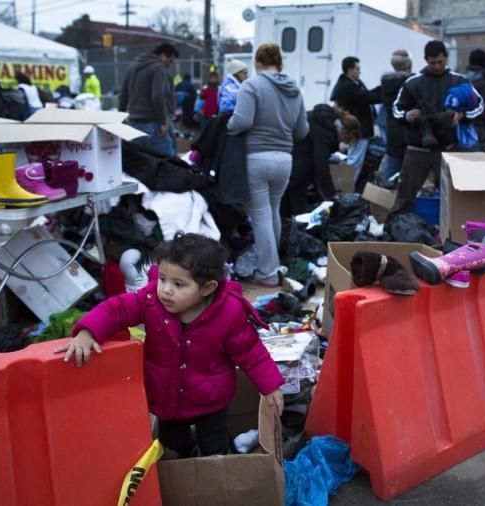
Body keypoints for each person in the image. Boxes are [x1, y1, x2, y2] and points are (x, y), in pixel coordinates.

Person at [54, 233, 284, 458]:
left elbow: (250, 352)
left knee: (214, 447)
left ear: (207, 288)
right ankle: (184, 461)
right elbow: (118, 309)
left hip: (212, 398)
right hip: (166, 396)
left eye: (178, 284)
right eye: (162, 279)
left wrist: (271, 386)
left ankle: (217, 471)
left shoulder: (229, 313)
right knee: (173, 445)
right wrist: (87, 331)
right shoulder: (151, 301)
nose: (166, 289)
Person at [227, 43, 308, 287]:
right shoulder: (295, 89)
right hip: (284, 159)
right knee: (273, 211)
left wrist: (225, 126)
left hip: (257, 157)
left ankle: (268, 273)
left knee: (261, 215)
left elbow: (241, 121)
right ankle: (274, 265)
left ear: (256, 62)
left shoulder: (252, 85)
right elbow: (303, 130)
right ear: (279, 62)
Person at [390, 40, 484, 217]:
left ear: (446, 58)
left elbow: (479, 105)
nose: (437, 66)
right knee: (404, 197)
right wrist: (407, 115)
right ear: (425, 60)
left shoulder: (460, 80)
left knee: (455, 197)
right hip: (418, 149)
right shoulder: (413, 82)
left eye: (440, 61)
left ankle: (455, 232)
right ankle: (395, 232)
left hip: (449, 149)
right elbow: (396, 109)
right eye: (432, 63)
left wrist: (462, 116)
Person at [119, 43, 179, 156]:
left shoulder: (132, 67)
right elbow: (157, 95)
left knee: (142, 164)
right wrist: (163, 122)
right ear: (163, 56)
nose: (169, 65)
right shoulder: (158, 67)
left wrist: (120, 118)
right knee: (169, 163)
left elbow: (123, 95)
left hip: (133, 125)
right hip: (153, 124)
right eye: (170, 61)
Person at [284, 103, 340, 216]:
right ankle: (296, 230)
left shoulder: (310, 115)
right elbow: (321, 164)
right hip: (300, 169)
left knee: (283, 203)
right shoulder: (325, 130)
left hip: (285, 160)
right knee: (298, 208)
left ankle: (283, 229)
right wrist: (331, 194)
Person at [379, 49, 413, 180]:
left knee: (392, 168)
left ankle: (388, 198)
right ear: (409, 65)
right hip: (409, 130)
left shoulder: (385, 83)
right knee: (410, 172)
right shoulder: (412, 82)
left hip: (392, 129)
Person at [330, 56, 381, 139]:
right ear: (349, 70)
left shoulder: (354, 82)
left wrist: (382, 88)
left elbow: (366, 94)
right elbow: (366, 98)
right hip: (357, 128)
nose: (359, 72)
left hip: (357, 127)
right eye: (357, 69)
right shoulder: (348, 86)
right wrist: (386, 92)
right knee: (357, 151)